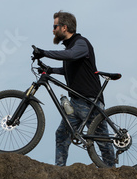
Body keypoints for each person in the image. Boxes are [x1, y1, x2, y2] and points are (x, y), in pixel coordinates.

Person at [32, 11, 115, 167]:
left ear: (64, 27)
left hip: (89, 101)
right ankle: (60, 170)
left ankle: (112, 172)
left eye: (54, 26)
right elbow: (68, 69)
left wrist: (43, 53)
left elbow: (69, 55)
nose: (52, 30)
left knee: (101, 140)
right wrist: (50, 70)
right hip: (75, 102)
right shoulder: (71, 47)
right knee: (62, 134)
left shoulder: (81, 43)